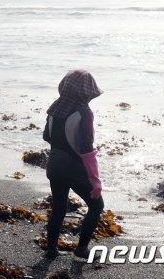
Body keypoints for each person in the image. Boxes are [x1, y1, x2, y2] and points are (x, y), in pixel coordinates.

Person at [42, 69, 104, 259]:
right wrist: (95, 180)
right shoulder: (84, 112)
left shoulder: (54, 108)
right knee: (96, 206)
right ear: (86, 92)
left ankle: (51, 250)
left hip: (54, 165)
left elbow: (46, 136)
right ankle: (82, 248)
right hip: (74, 168)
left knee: (59, 207)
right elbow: (86, 149)